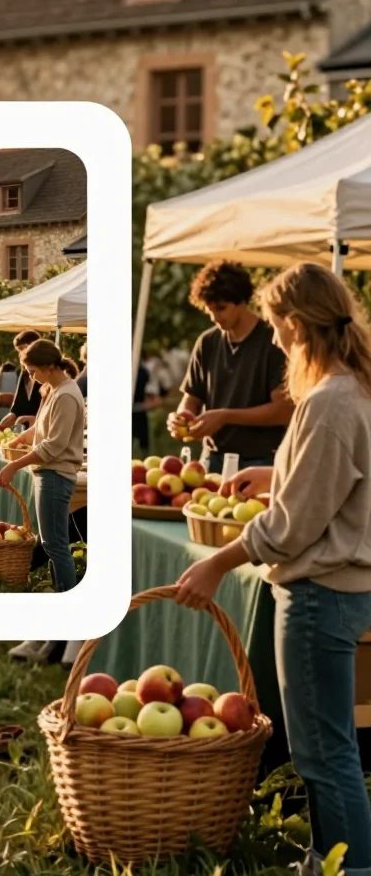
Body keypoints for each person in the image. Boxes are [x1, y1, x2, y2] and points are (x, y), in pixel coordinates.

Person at [174, 262, 371, 876]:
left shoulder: (331, 400)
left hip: (319, 594)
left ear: (294, 324)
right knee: (331, 746)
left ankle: (348, 866)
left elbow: (290, 529)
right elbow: (331, 486)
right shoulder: (354, 389)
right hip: (344, 587)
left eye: (280, 328)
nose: (276, 341)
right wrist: (274, 475)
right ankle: (328, 858)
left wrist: (218, 563)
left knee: (322, 753)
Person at [168, 260, 293, 473]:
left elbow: (284, 410)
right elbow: (191, 398)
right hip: (211, 459)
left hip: (262, 461)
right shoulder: (207, 342)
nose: (215, 318)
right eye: (209, 310)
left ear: (242, 301)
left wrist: (225, 416)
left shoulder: (273, 341)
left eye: (221, 308)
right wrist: (181, 418)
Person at [0, 339, 85, 593]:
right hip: (48, 474)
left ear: (49, 366)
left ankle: (66, 599)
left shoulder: (67, 395)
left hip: (56, 475)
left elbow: (54, 445)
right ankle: (60, 592)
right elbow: (45, 428)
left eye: (33, 371)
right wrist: (23, 437)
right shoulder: (53, 389)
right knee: (51, 543)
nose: (30, 376)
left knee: (55, 545)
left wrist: (15, 465)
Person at [0, 329, 43, 430]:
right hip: (25, 433)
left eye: (23, 348)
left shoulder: (46, 376)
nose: (20, 354)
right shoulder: (24, 375)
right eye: (18, 350)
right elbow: (16, 410)